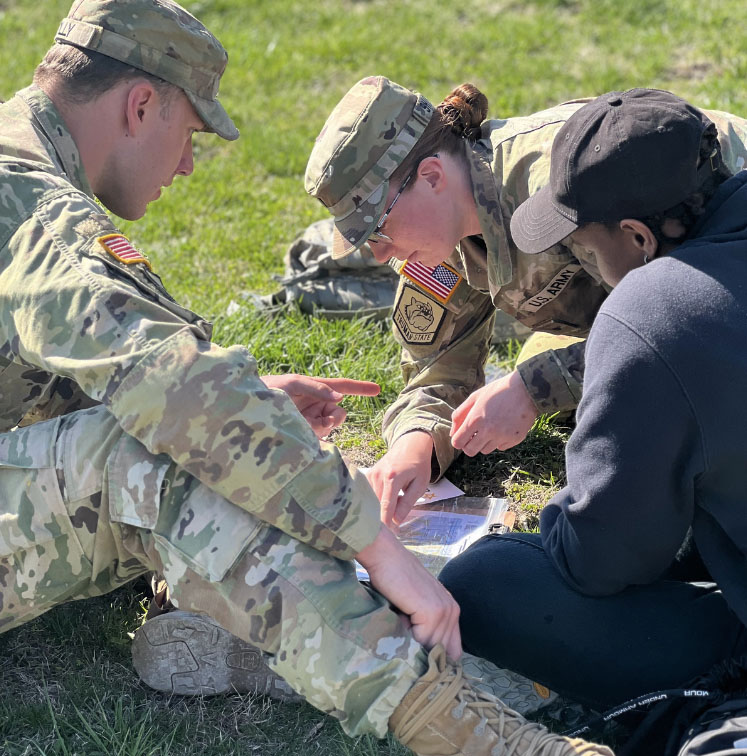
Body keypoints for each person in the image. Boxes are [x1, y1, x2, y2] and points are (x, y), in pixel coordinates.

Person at [0, 1, 616, 753]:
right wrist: (378, 548)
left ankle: (287, 638)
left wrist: (246, 402)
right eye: (191, 133)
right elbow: (177, 392)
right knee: (157, 460)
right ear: (139, 105)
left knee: (203, 439)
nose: (189, 164)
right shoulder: (29, 206)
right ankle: (483, 736)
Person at [438, 87, 747, 755]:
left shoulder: (654, 311)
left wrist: (567, 511)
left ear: (636, 237)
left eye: (581, 243)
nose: (584, 264)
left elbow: (602, 561)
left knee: (482, 580)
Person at [304, 76, 747, 528]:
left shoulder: (567, 191)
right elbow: (435, 367)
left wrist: (535, 389)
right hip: (651, 300)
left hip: (720, 265)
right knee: (543, 360)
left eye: (377, 229)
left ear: (431, 177)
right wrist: (414, 445)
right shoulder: (436, 239)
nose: (378, 253)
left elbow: (687, 320)